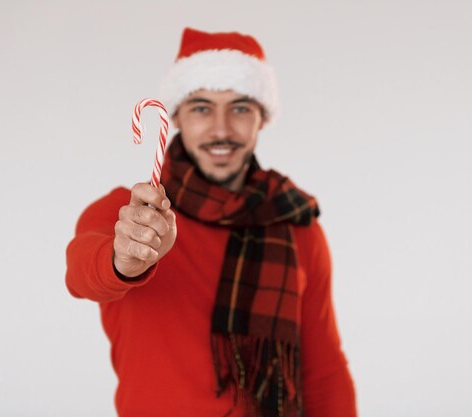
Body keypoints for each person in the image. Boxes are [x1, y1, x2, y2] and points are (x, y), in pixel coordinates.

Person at [66, 27, 357, 417]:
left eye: (240, 107)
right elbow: (82, 274)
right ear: (179, 116)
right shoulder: (127, 214)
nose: (221, 129)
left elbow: (324, 372)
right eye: (201, 107)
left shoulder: (296, 225)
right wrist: (126, 259)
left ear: (261, 119)